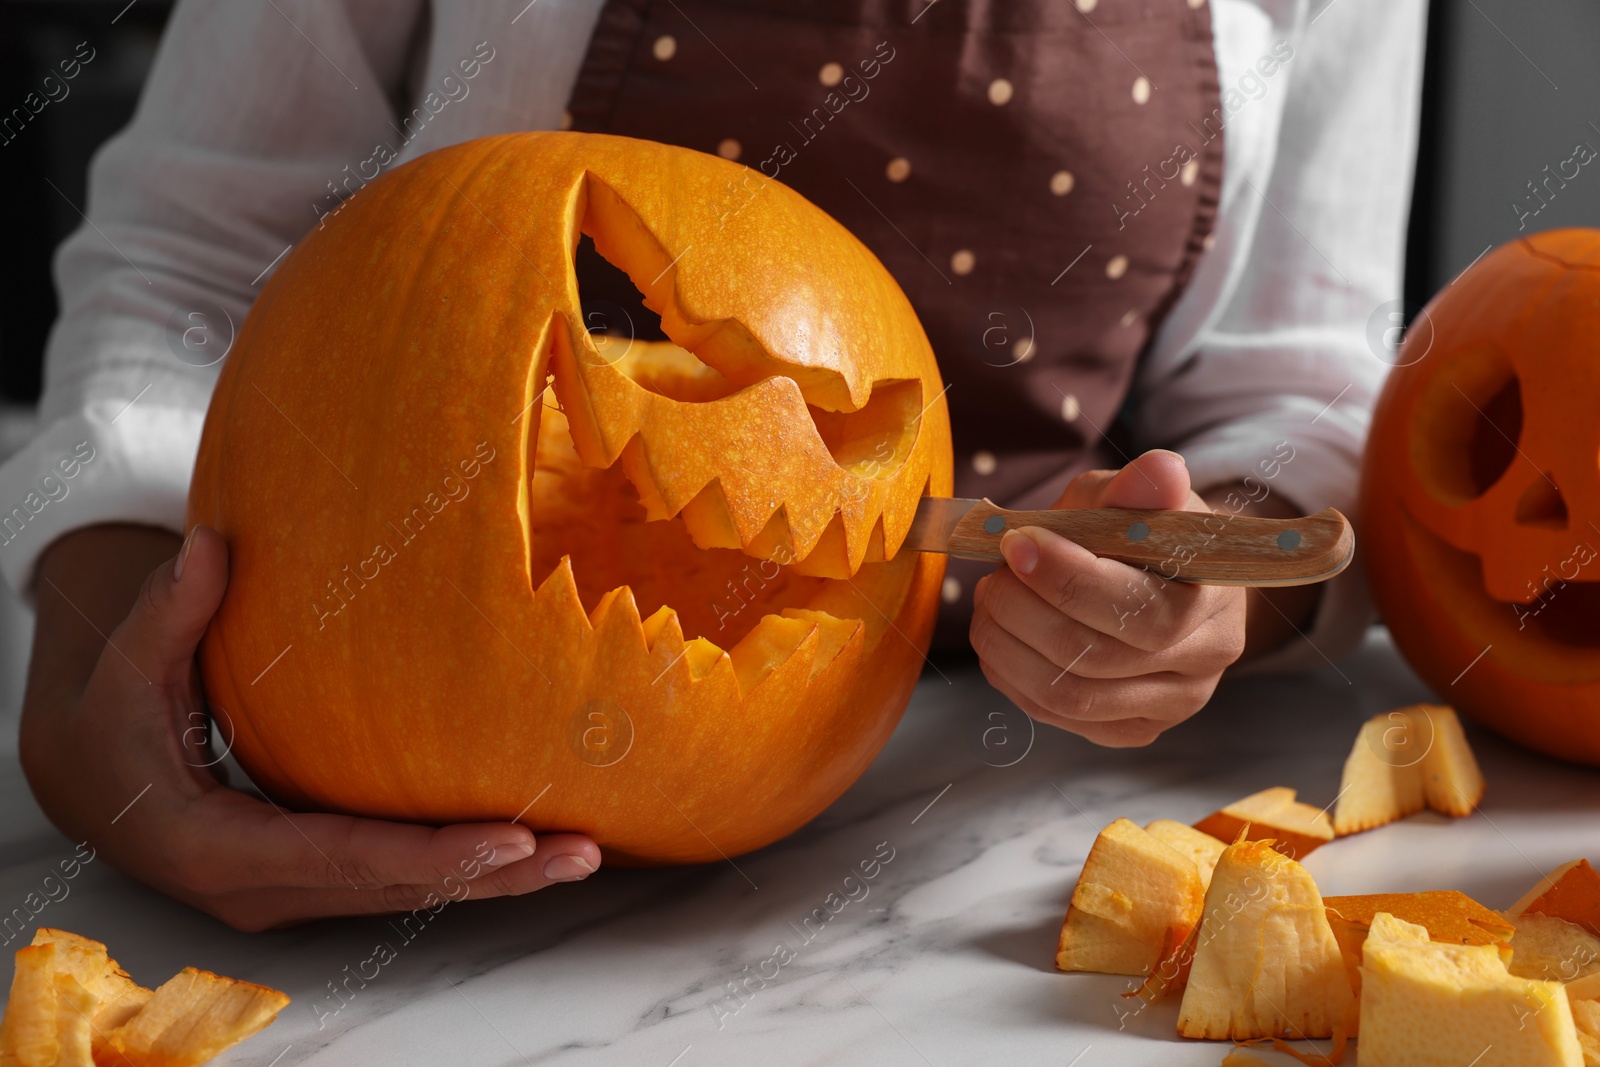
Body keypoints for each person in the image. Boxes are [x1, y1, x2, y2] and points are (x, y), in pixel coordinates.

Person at [3, 0, 1425, 929]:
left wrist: (1206, 581)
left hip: (940, 827)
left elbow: (1295, 386)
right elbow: (189, 263)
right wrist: (100, 672)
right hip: (345, 713)